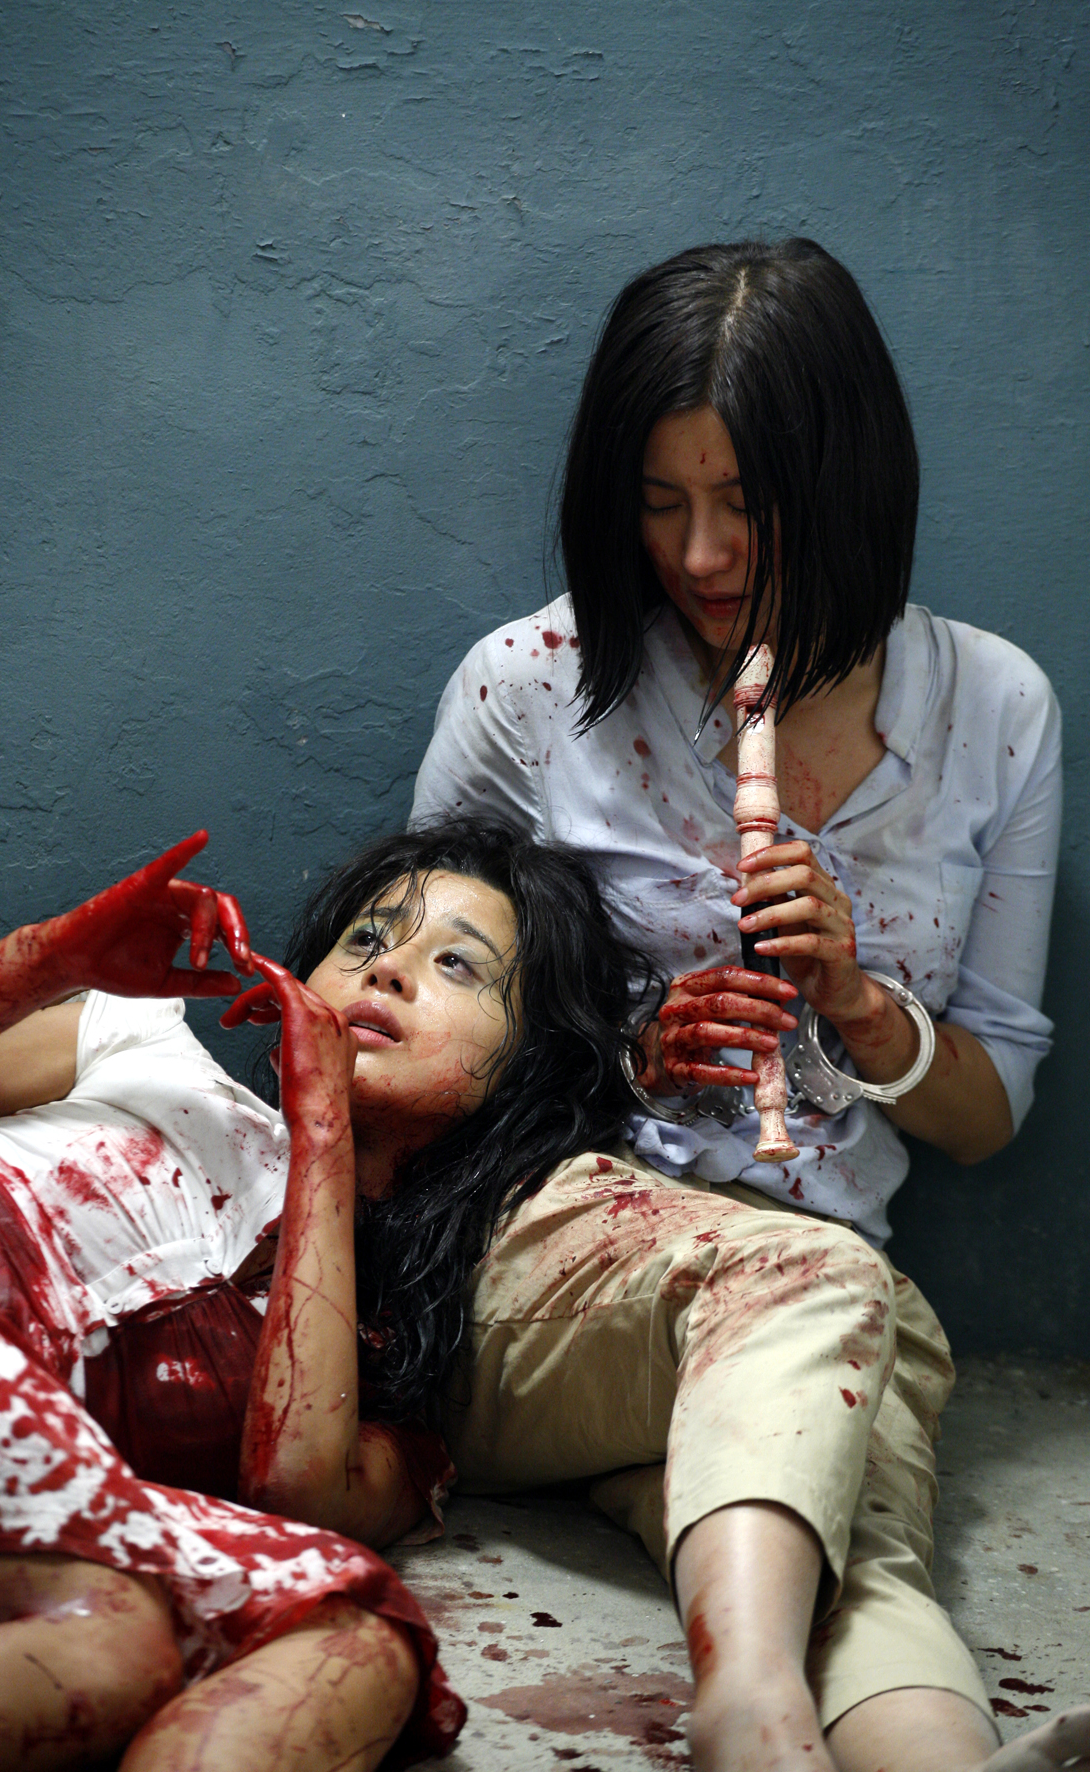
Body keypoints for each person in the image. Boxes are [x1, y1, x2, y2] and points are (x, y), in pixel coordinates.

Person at [411, 239, 1081, 1770]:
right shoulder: (531, 684)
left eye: (745, 503)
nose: (700, 555)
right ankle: (753, 1707)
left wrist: (857, 1002)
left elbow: (987, 1117)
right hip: (547, 1272)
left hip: (808, 1296)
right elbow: (394, 1037)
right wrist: (619, 1051)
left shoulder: (997, 709)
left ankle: (800, 1727)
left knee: (860, 1552)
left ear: (848, 489)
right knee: (826, 1307)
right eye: (659, 502)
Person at [0, 819, 646, 1772]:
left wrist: (322, 1132)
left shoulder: (386, 1365)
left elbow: (298, 1492)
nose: (386, 970)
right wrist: (41, 962)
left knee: (347, 1629)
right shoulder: (138, 1046)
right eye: (368, 938)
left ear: (526, 1062)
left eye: (457, 965)